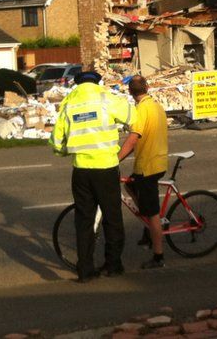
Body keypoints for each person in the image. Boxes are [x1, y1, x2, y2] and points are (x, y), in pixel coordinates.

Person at [50, 70, 134, 283]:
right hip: (106, 168)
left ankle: (85, 270)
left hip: (81, 171)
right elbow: (133, 117)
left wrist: (64, 151)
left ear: (77, 84)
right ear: (98, 82)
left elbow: (57, 142)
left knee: (84, 220)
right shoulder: (107, 98)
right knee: (112, 218)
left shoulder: (69, 104)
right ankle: (113, 265)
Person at [118, 75, 169, 270]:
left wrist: (115, 159)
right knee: (130, 184)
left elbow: (132, 140)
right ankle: (147, 225)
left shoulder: (140, 110)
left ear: (130, 92)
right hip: (157, 161)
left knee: (153, 213)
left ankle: (158, 256)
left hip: (148, 166)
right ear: (146, 88)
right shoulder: (156, 105)